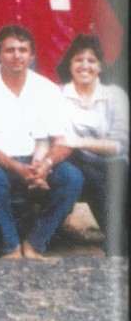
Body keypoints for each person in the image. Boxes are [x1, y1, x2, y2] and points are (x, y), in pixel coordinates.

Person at [0, 25, 83, 260]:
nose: (17, 55)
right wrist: (16, 167)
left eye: (23, 50)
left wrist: (46, 164)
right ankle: (10, 247)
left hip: (38, 161)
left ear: (31, 55)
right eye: (10, 50)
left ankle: (35, 243)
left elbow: (64, 140)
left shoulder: (46, 88)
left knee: (72, 177)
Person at [57, 35, 129, 257]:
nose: (85, 65)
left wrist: (80, 142)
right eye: (78, 60)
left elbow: (120, 144)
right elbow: (62, 139)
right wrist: (78, 145)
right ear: (70, 64)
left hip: (113, 160)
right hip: (77, 162)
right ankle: (119, 242)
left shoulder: (114, 95)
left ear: (100, 66)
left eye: (91, 60)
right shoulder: (59, 95)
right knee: (90, 175)